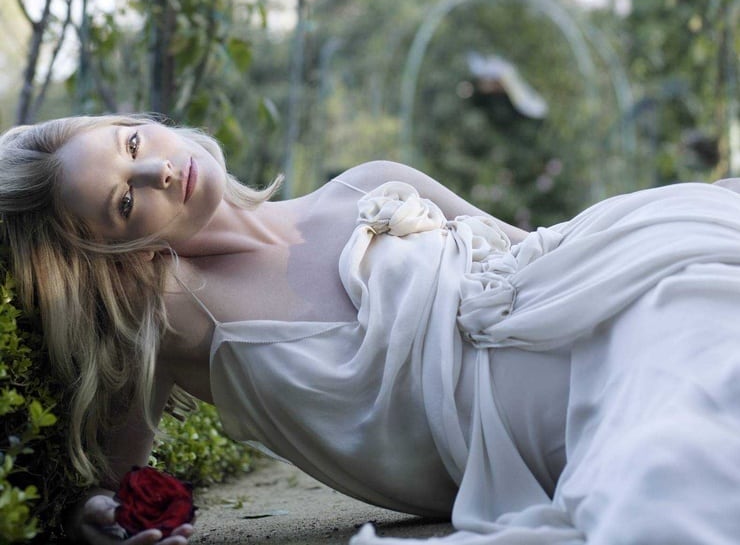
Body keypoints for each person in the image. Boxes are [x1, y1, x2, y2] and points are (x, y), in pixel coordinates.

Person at [3, 114, 740, 545]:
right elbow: (115, 478)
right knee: (683, 408)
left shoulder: (368, 180)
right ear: (120, 255)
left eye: (134, 144)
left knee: (694, 272)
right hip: (515, 413)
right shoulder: (171, 310)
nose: (158, 172)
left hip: (582, 300)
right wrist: (98, 511)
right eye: (125, 204)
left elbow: (541, 249)